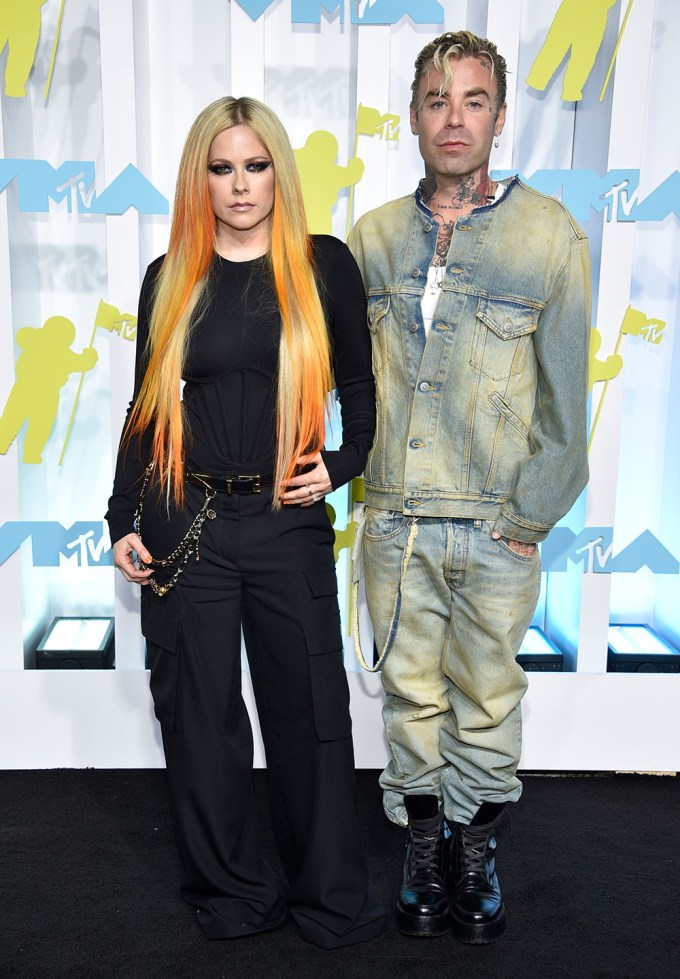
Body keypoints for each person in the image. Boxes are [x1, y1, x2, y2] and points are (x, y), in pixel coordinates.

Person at [106, 96, 386, 950]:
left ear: (277, 173)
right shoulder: (170, 276)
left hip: (284, 519)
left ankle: (327, 895)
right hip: (184, 518)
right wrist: (121, 515)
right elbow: (147, 407)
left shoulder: (322, 265)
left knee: (310, 709)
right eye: (221, 168)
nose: (239, 185)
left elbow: (361, 388)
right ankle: (232, 892)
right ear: (201, 178)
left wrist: (342, 463)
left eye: (255, 166)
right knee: (200, 719)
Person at [348, 30, 590, 944]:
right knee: (411, 698)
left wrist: (528, 517)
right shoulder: (372, 239)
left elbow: (566, 400)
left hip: (496, 525)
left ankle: (475, 849)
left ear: (499, 116)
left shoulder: (550, 235)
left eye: (474, 100)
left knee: (488, 697)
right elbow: (345, 382)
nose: (455, 118)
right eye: (437, 100)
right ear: (413, 117)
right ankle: (424, 848)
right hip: (397, 519)